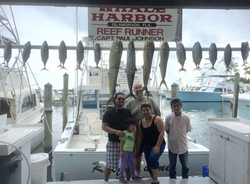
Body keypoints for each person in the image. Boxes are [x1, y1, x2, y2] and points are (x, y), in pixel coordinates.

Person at [125, 83, 161, 177]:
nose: (138, 89)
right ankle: (137, 172)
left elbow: (158, 114)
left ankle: (152, 172)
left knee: (150, 154)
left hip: (150, 132)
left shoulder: (150, 100)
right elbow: (127, 118)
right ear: (134, 90)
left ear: (143, 88)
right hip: (136, 133)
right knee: (137, 152)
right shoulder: (130, 103)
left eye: (140, 87)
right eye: (136, 88)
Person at [102, 92, 132, 182]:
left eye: (123, 99)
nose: (121, 100)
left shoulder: (128, 112)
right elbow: (104, 127)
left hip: (126, 142)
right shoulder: (108, 113)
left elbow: (131, 125)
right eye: (119, 99)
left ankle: (128, 180)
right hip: (113, 142)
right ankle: (105, 181)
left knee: (127, 164)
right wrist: (116, 132)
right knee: (110, 164)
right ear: (115, 100)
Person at [136, 102, 165, 184]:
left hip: (159, 144)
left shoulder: (157, 119)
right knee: (149, 163)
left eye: (147, 110)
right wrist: (137, 150)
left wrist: (157, 146)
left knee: (153, 158)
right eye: (143, 110)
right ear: (141, 112)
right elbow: (140, 137)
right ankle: (152, 178)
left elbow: (162, 133)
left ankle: (155, 180)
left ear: (151, 110)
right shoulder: (140, 123)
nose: (145, 112)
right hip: (147, 145)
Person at [164, 98, 192, 179]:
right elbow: (167, 129)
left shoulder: (186, 118)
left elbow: (187, 130)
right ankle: (172, 179)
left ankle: (185, 178)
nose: (176, 108)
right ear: (171, 107)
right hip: (172, 145)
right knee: (172, 165)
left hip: (183, 145)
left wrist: (180, 136)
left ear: (181, 106)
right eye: (174, 106)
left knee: (185, 165)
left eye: (178, 106)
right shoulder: (168, 118)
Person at [118, 118, 143, 183]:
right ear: (127, 126)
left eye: (134, 125)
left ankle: (133, 175)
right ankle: (120, 175)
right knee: (123, 164)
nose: (133, 127)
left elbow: (133, 142)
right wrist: (121, 151)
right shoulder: (124, 133)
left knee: (132, 164)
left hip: (131, 152)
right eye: (131, 125)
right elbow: (121, 142)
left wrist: (134, 150)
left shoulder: (133, 133)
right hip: (125, 151)